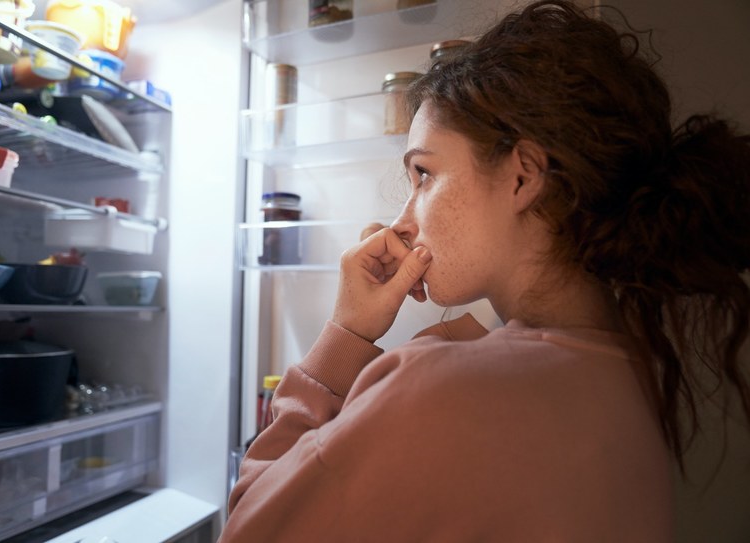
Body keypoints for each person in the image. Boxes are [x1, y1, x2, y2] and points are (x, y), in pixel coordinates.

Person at [220, 1, 750, 541]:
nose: (403, 223)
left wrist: (345, 337)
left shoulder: (438, 387)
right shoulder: (633, 368)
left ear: (522, 177)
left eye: (423, 174)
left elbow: (246, 528)